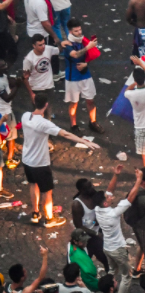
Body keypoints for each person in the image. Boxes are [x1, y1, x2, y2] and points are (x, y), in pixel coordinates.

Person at [21, 93, 99, 227]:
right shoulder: (44, 123)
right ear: (46, 105)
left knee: (33, 185)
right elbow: (65, 134)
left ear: (34, 103)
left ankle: (35, 213)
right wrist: (84, 141)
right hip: (40, 163)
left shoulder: (25, 116)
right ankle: (49, 219)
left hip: (27, 159)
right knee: (47, 192)